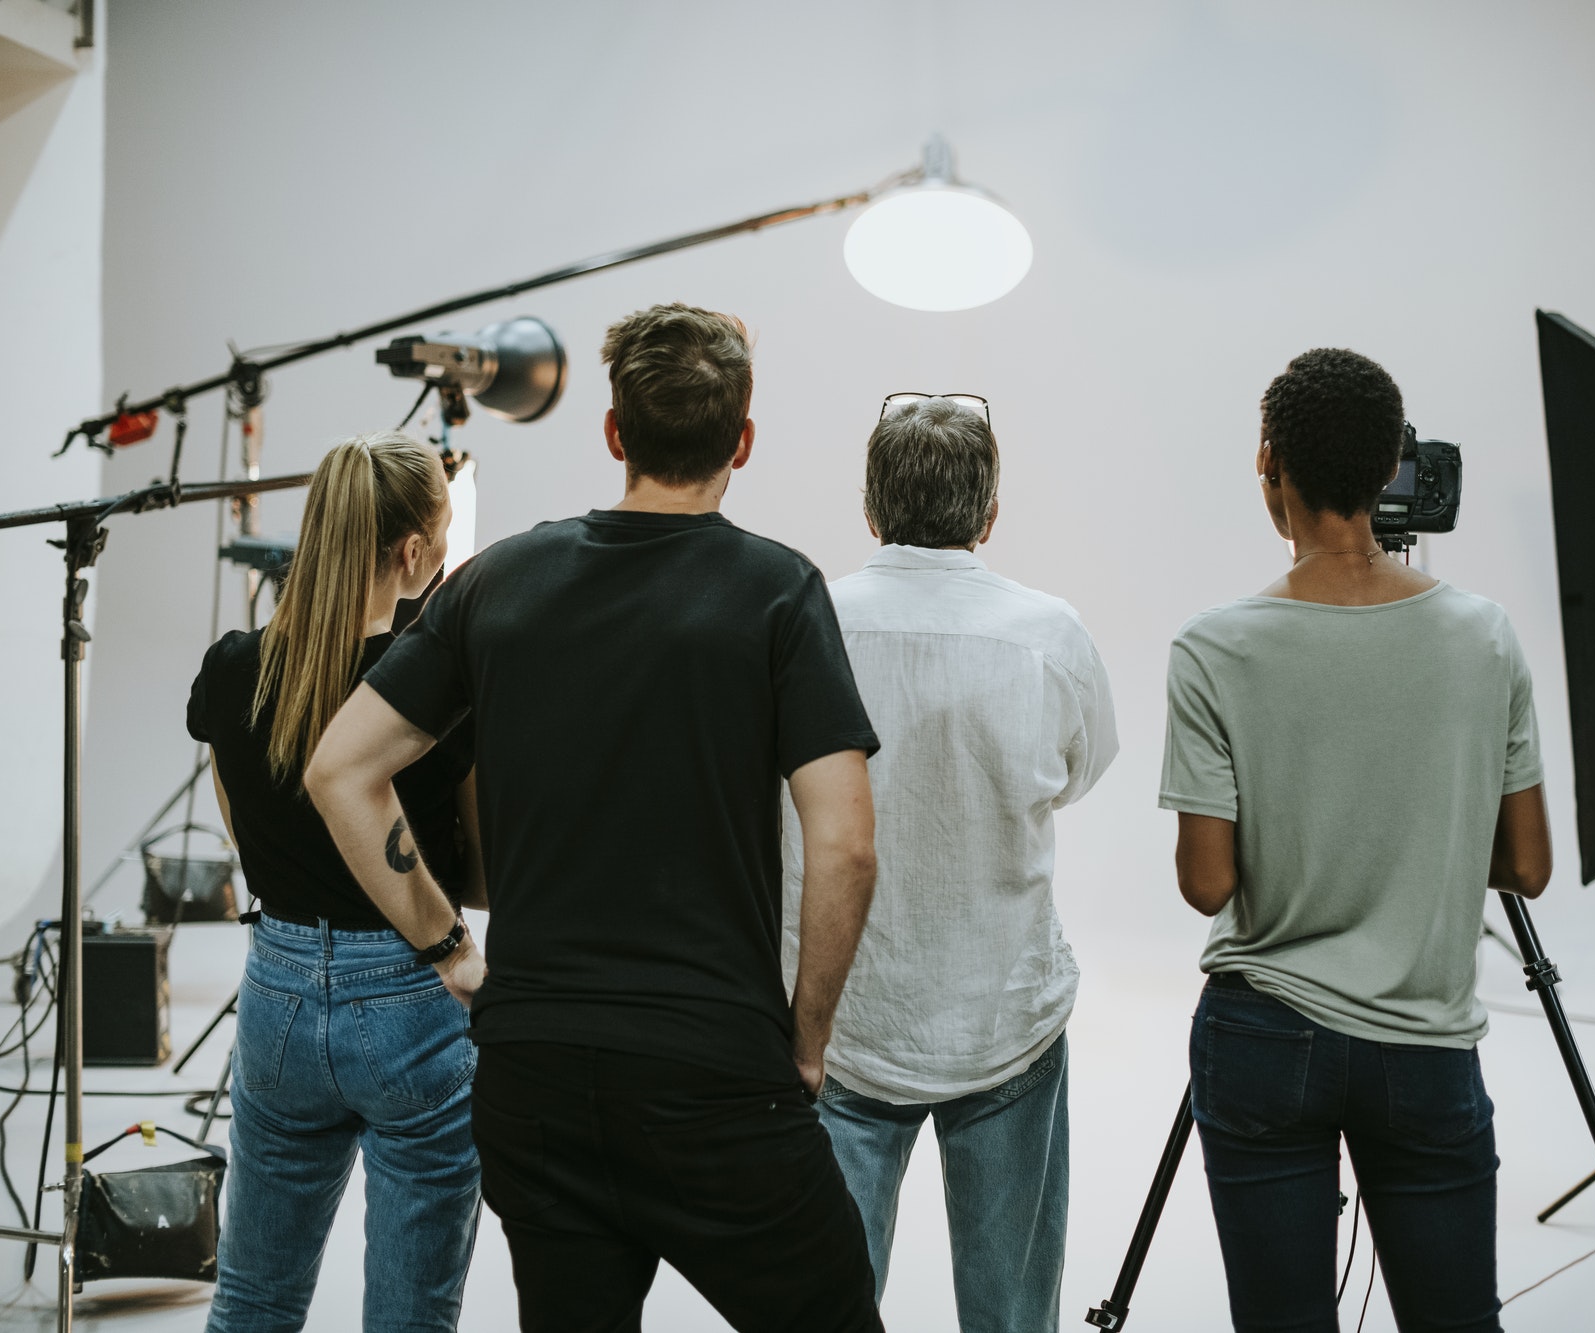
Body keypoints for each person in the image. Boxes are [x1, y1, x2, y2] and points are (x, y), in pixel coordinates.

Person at [303, 303, 886, 1333]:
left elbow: (341, 770)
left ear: (613, 433)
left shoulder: (497, 581)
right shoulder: (778, 592)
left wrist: (450, 949)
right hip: (713, 1072)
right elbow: (843, 844)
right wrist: (806, 1039)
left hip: (534, 1079)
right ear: (740, 441)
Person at [1159, 348, 1551, 1333]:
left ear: (1268, 465)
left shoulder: (1213, 647)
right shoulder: (1484, 636)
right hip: (1421, 1042)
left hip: (1261, 1036)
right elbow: (1527, 865)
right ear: (1391, 470)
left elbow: (1206, 885)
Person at [785, 395, 1118, 1332]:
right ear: (989, 513)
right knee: (1012, 1317)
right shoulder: (1051, 633)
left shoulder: (804, 621)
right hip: (1004, 1015)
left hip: (838, 1021)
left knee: (824, 1309)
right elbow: (1079, 772)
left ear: (870, 506)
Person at [187, 431, 482, 1333]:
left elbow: (238, 817)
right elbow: (474, 859)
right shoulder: (433, 689)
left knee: (253, 1298)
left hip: (275, 990)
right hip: (408, 996)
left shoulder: (237, 665)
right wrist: (456, 950)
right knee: (408, 1317)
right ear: (416, 553)